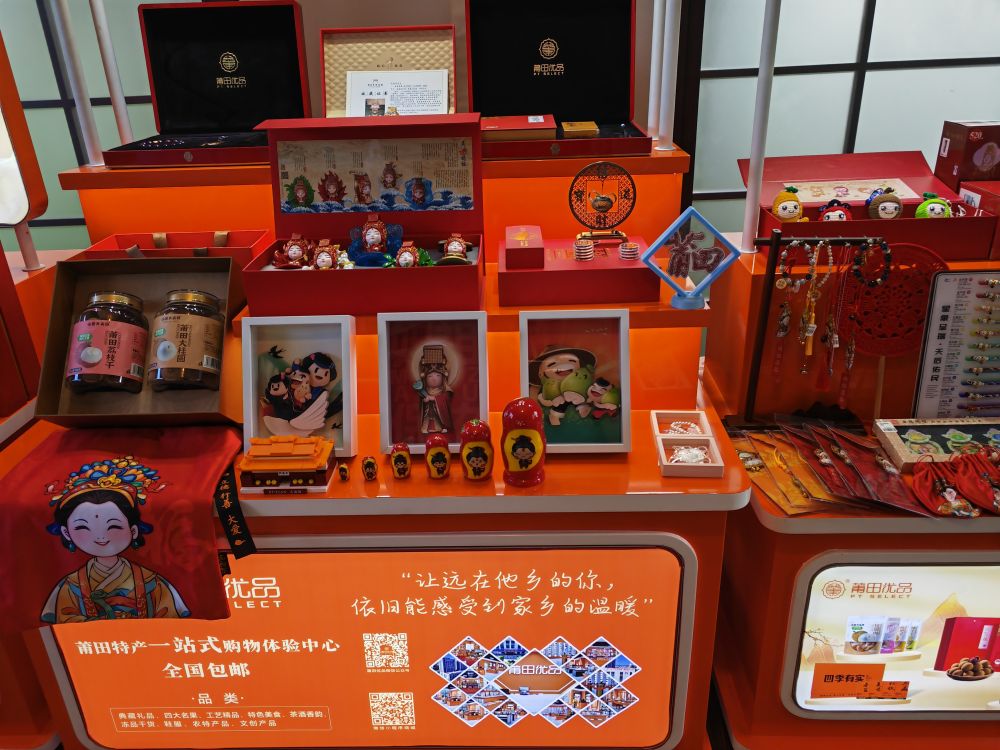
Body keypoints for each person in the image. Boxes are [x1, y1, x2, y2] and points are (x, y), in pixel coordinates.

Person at [42, 458, 188, 623]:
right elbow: (66, 619)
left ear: (133, 531)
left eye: (114, 527)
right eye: (82, 527)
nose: (100, 537)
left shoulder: (151, 581)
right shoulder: (72, 585)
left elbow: (168, 619)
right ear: (66, 533)